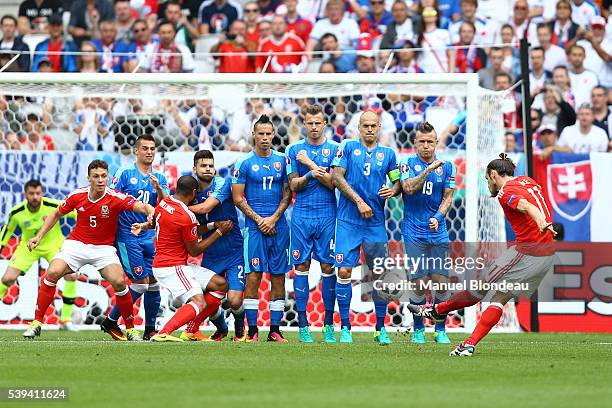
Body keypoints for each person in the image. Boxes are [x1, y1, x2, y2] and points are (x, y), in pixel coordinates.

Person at [409, 154, 556, 356]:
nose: (488, 184)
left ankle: (437, 311)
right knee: (499, 298)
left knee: (479, 288)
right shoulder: (527, 181)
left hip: (527, 252)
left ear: (493, 174)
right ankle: (468, 344)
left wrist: (540, 222)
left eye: (487, 179)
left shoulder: (506, 192)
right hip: (546, 255)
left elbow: (526, 206)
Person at [23, 160, 155, 341]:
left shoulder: (115, 197)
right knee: (52, 272)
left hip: (104, 249)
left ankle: (131, 329)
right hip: (77, 245)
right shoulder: (77, 195)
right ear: (89, 178)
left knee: (119, 283)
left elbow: (141, 206)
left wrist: (149, 210)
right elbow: (56, 214)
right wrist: (39, 236)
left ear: (108, 177)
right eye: (96, 176)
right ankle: (36, 323)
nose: (100, 180)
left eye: (103, 176)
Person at [130, 175, 231, 342]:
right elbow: (195, 250)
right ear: (192, 193)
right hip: (172, 267)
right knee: (199, 302)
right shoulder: (186, 215)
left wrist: (213, 225)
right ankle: (164, 332)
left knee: (220, 285)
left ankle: (191, 330)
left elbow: (172, 227)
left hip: (167, 264)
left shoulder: (164, 203)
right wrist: (219, 233)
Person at [330, 110, 401, 344]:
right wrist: (359, 201)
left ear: (379, 126)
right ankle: (346, 328)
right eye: (365, 126)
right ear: (359, 128)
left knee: (379, 274)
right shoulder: (347, 148)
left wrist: (393, 189)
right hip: (349, 221)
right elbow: (336, 177)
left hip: (375, 223)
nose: (369, 129)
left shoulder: (389, 155)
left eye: (373, 125)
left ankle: (380, 328)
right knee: (343, 271)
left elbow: (396, 181)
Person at [100, 135, 169, 341]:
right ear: (136, 151)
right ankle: (111, 321)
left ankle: (150, 329)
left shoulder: (160, 177)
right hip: (127, 235)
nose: (149, 152)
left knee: (154, 282)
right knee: (140, 282)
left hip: (150, 236)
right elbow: (111, 200)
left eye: (152, 148)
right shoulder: (124, 173)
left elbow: (166, 207)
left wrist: (158, 188)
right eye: (145, 148)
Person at [231, 115, 292, 342]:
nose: (265, 138)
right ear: (253, 135)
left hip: (279, 227)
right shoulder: (244, 163)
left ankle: (274, 330)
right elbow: (238, 198)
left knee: (278, 277)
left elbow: (288, 193)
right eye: (261, 134)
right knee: (254, 277)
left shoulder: (283, 161)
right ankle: (253, 331)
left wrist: (274, 218)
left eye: (268, 134)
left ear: (273, 135)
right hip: (255, 229)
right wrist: (260, 220)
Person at [285, 105, 339, 343]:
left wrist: (309, 165)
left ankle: (328, 323)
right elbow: (293, 186)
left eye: (318, 123)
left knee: (328, 267)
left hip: (328, 215)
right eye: (310, 123)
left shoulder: (336, 149)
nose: (314, 127)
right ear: (304, 124)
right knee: (302, 267)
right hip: (302, 216)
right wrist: (310, 172)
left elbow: (333, 184)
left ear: (325, 124)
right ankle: (303, 325)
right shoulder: (294, 149)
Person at [399, 122, 456, 344]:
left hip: (438, 230)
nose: (425, 146)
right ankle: (418, 329)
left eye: (429, 142)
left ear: (436, 143)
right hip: (413, 230)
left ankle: (440, 329)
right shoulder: (407, 164)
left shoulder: (448, 166)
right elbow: (408, 188)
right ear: (415, 143)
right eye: (421, 142)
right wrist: (428, 169)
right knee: (419, 282)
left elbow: (448, 196)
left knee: (441, 281)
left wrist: (438, 218)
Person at [0, 180, 78, 332]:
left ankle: (65, 320)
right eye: (31, 194)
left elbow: (77, 213)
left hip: (53, 245)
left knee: (71, 276)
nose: (35, 197)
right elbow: (5, 236)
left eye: (38, 193)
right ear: (25, 194)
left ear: (42, 193)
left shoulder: (52, 206)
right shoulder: (16, 213)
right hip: (28, 247)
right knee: (8, 278)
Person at [187, 150, 247, 342]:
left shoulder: (222, 183)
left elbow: (205, 208)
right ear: (194, 168)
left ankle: (239, 329)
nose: (208, 169)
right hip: (210, 253)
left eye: (211, 165)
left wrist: (177, 207)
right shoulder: (190, 191)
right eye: (203, 166)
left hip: (234, 251)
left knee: (234, 300)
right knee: (205, 301)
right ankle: (221, 328)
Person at [416, 6, 455, 73]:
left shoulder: (444, 33)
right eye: (426, 13)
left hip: (441, 73)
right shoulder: (417, 36)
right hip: (423, 74)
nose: (429, 14)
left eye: (432, 12)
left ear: (437, 16)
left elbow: (451, 55)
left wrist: (451, 73)